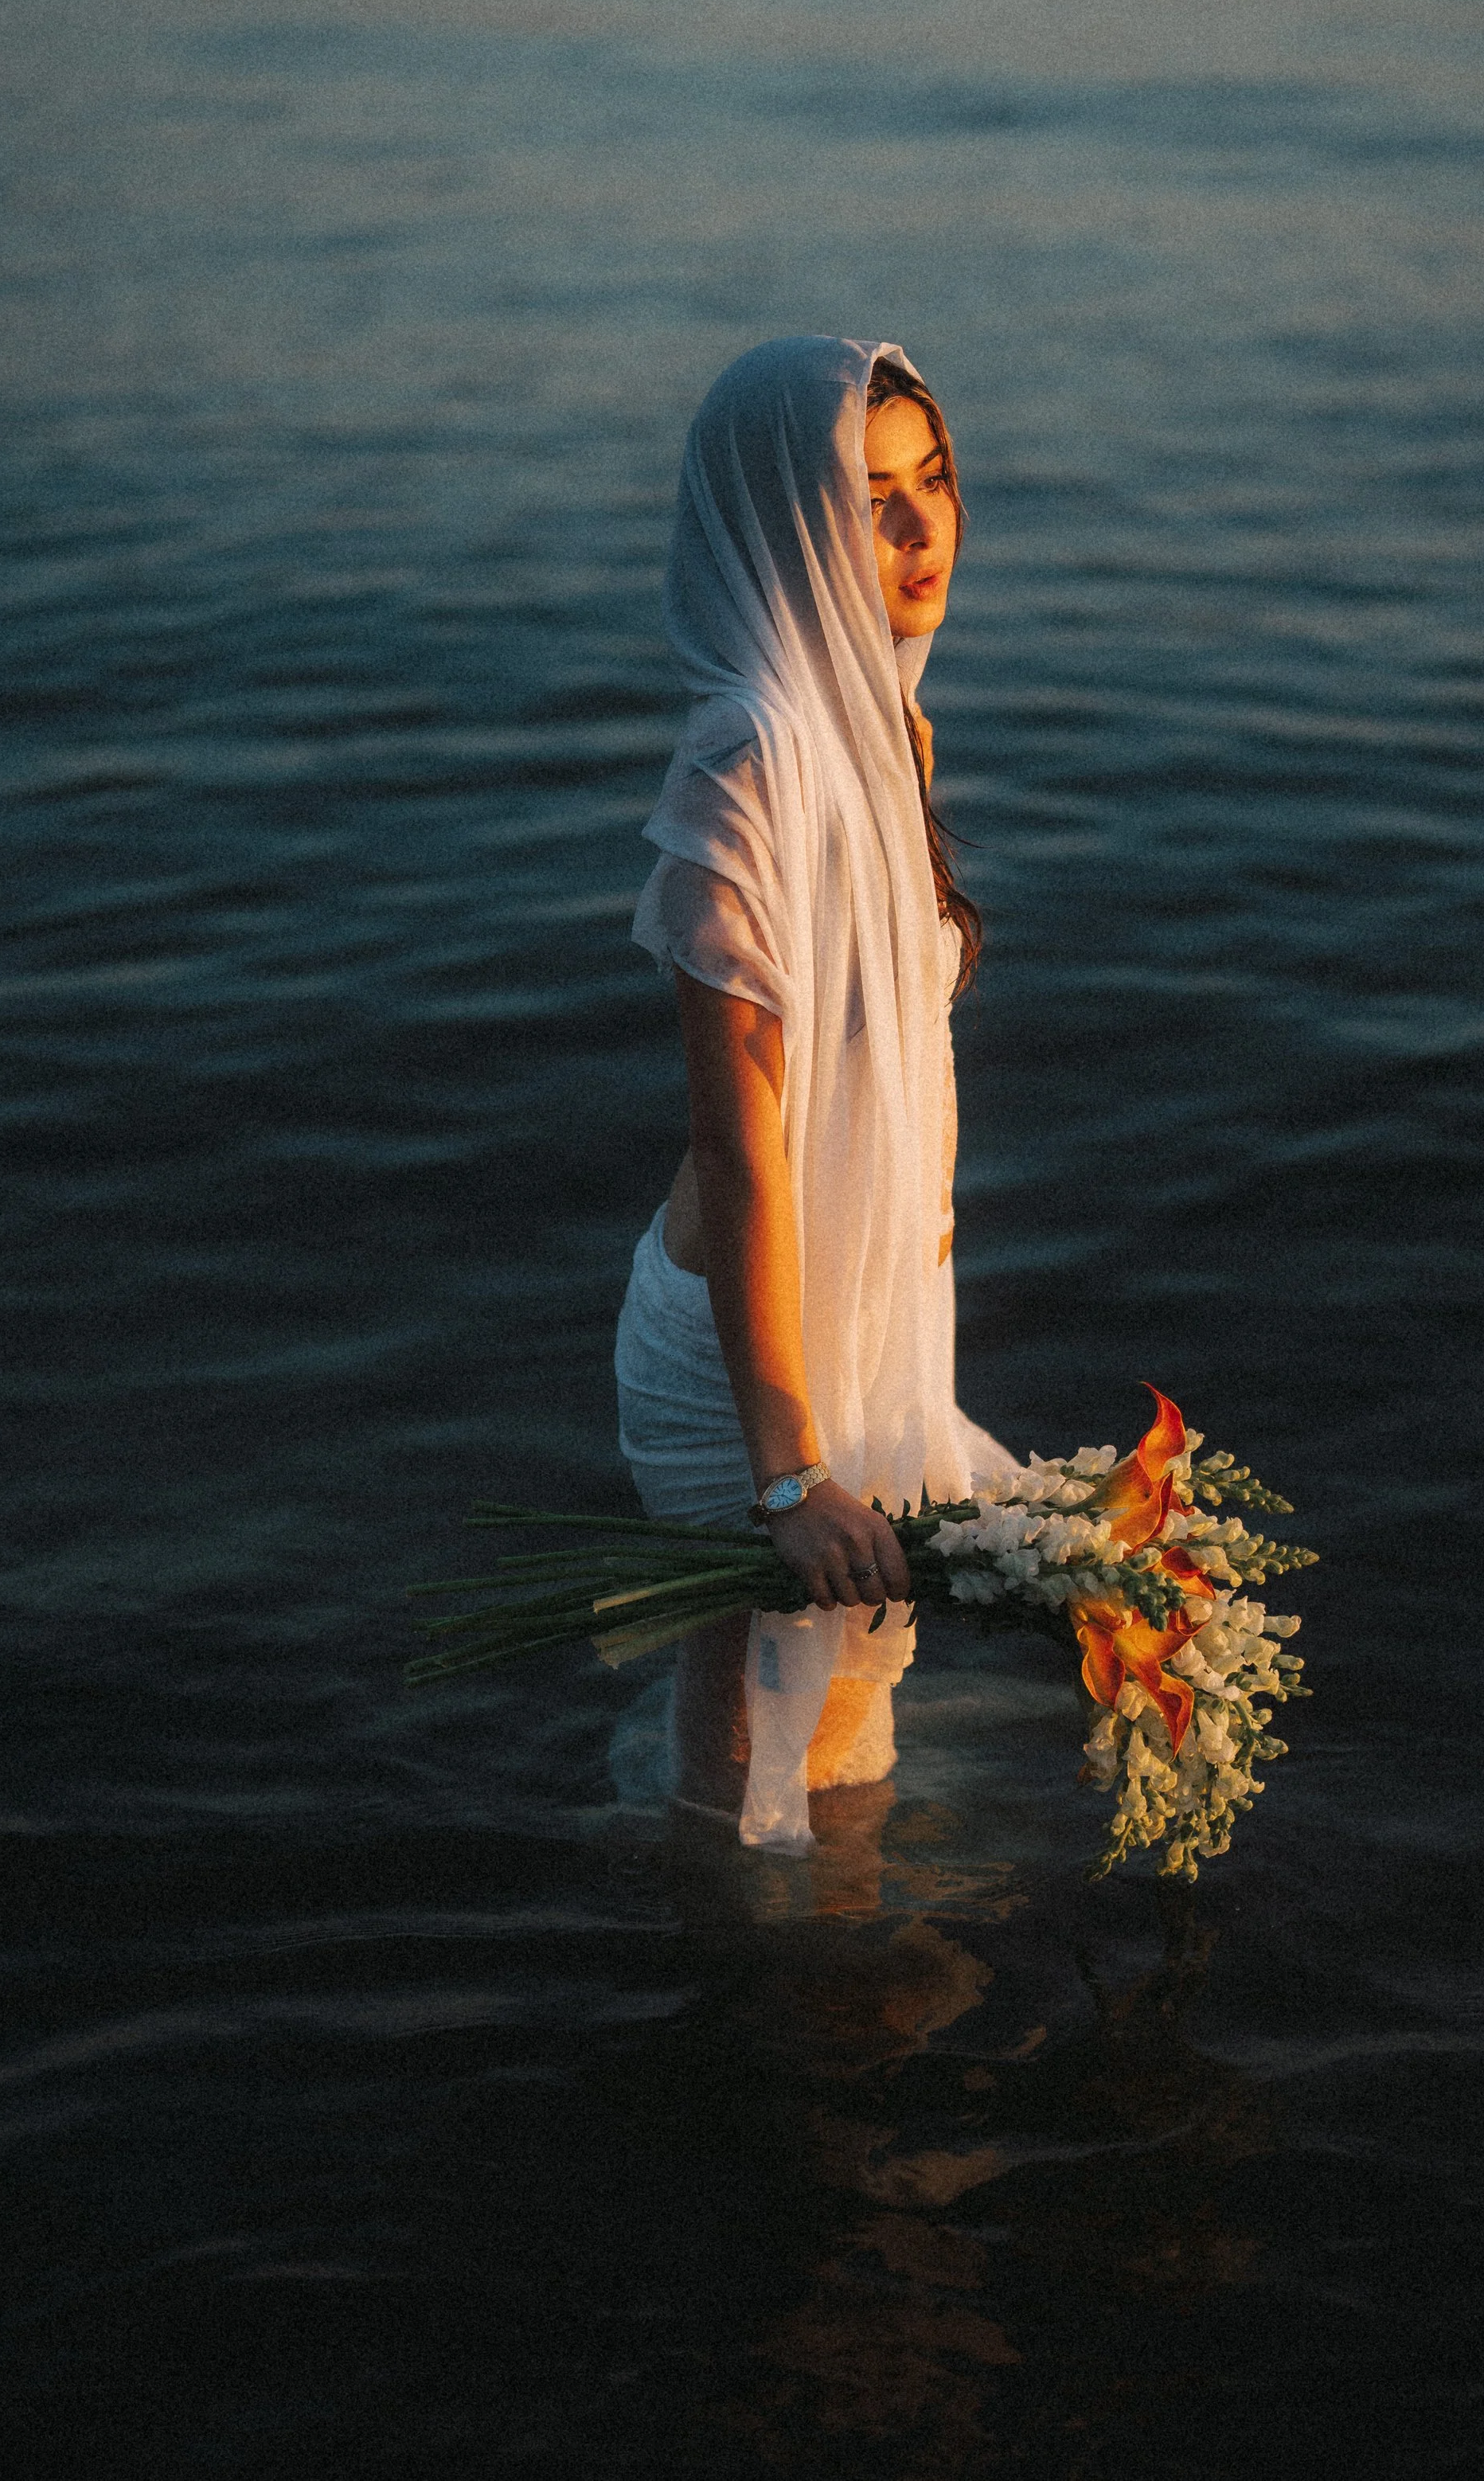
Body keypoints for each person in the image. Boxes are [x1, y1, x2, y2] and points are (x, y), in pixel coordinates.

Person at [613, 335, 1006, 1851]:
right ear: (785, 525)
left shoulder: (890, 728)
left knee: (844, 1740)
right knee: (745, 1803)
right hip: (748, 1354)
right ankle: (711, 1958)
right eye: (868, 498)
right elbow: (746, 1147)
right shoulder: (748, 766)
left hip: (860, 1300)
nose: (920, 528)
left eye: (934, 481)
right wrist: (789, 1475)